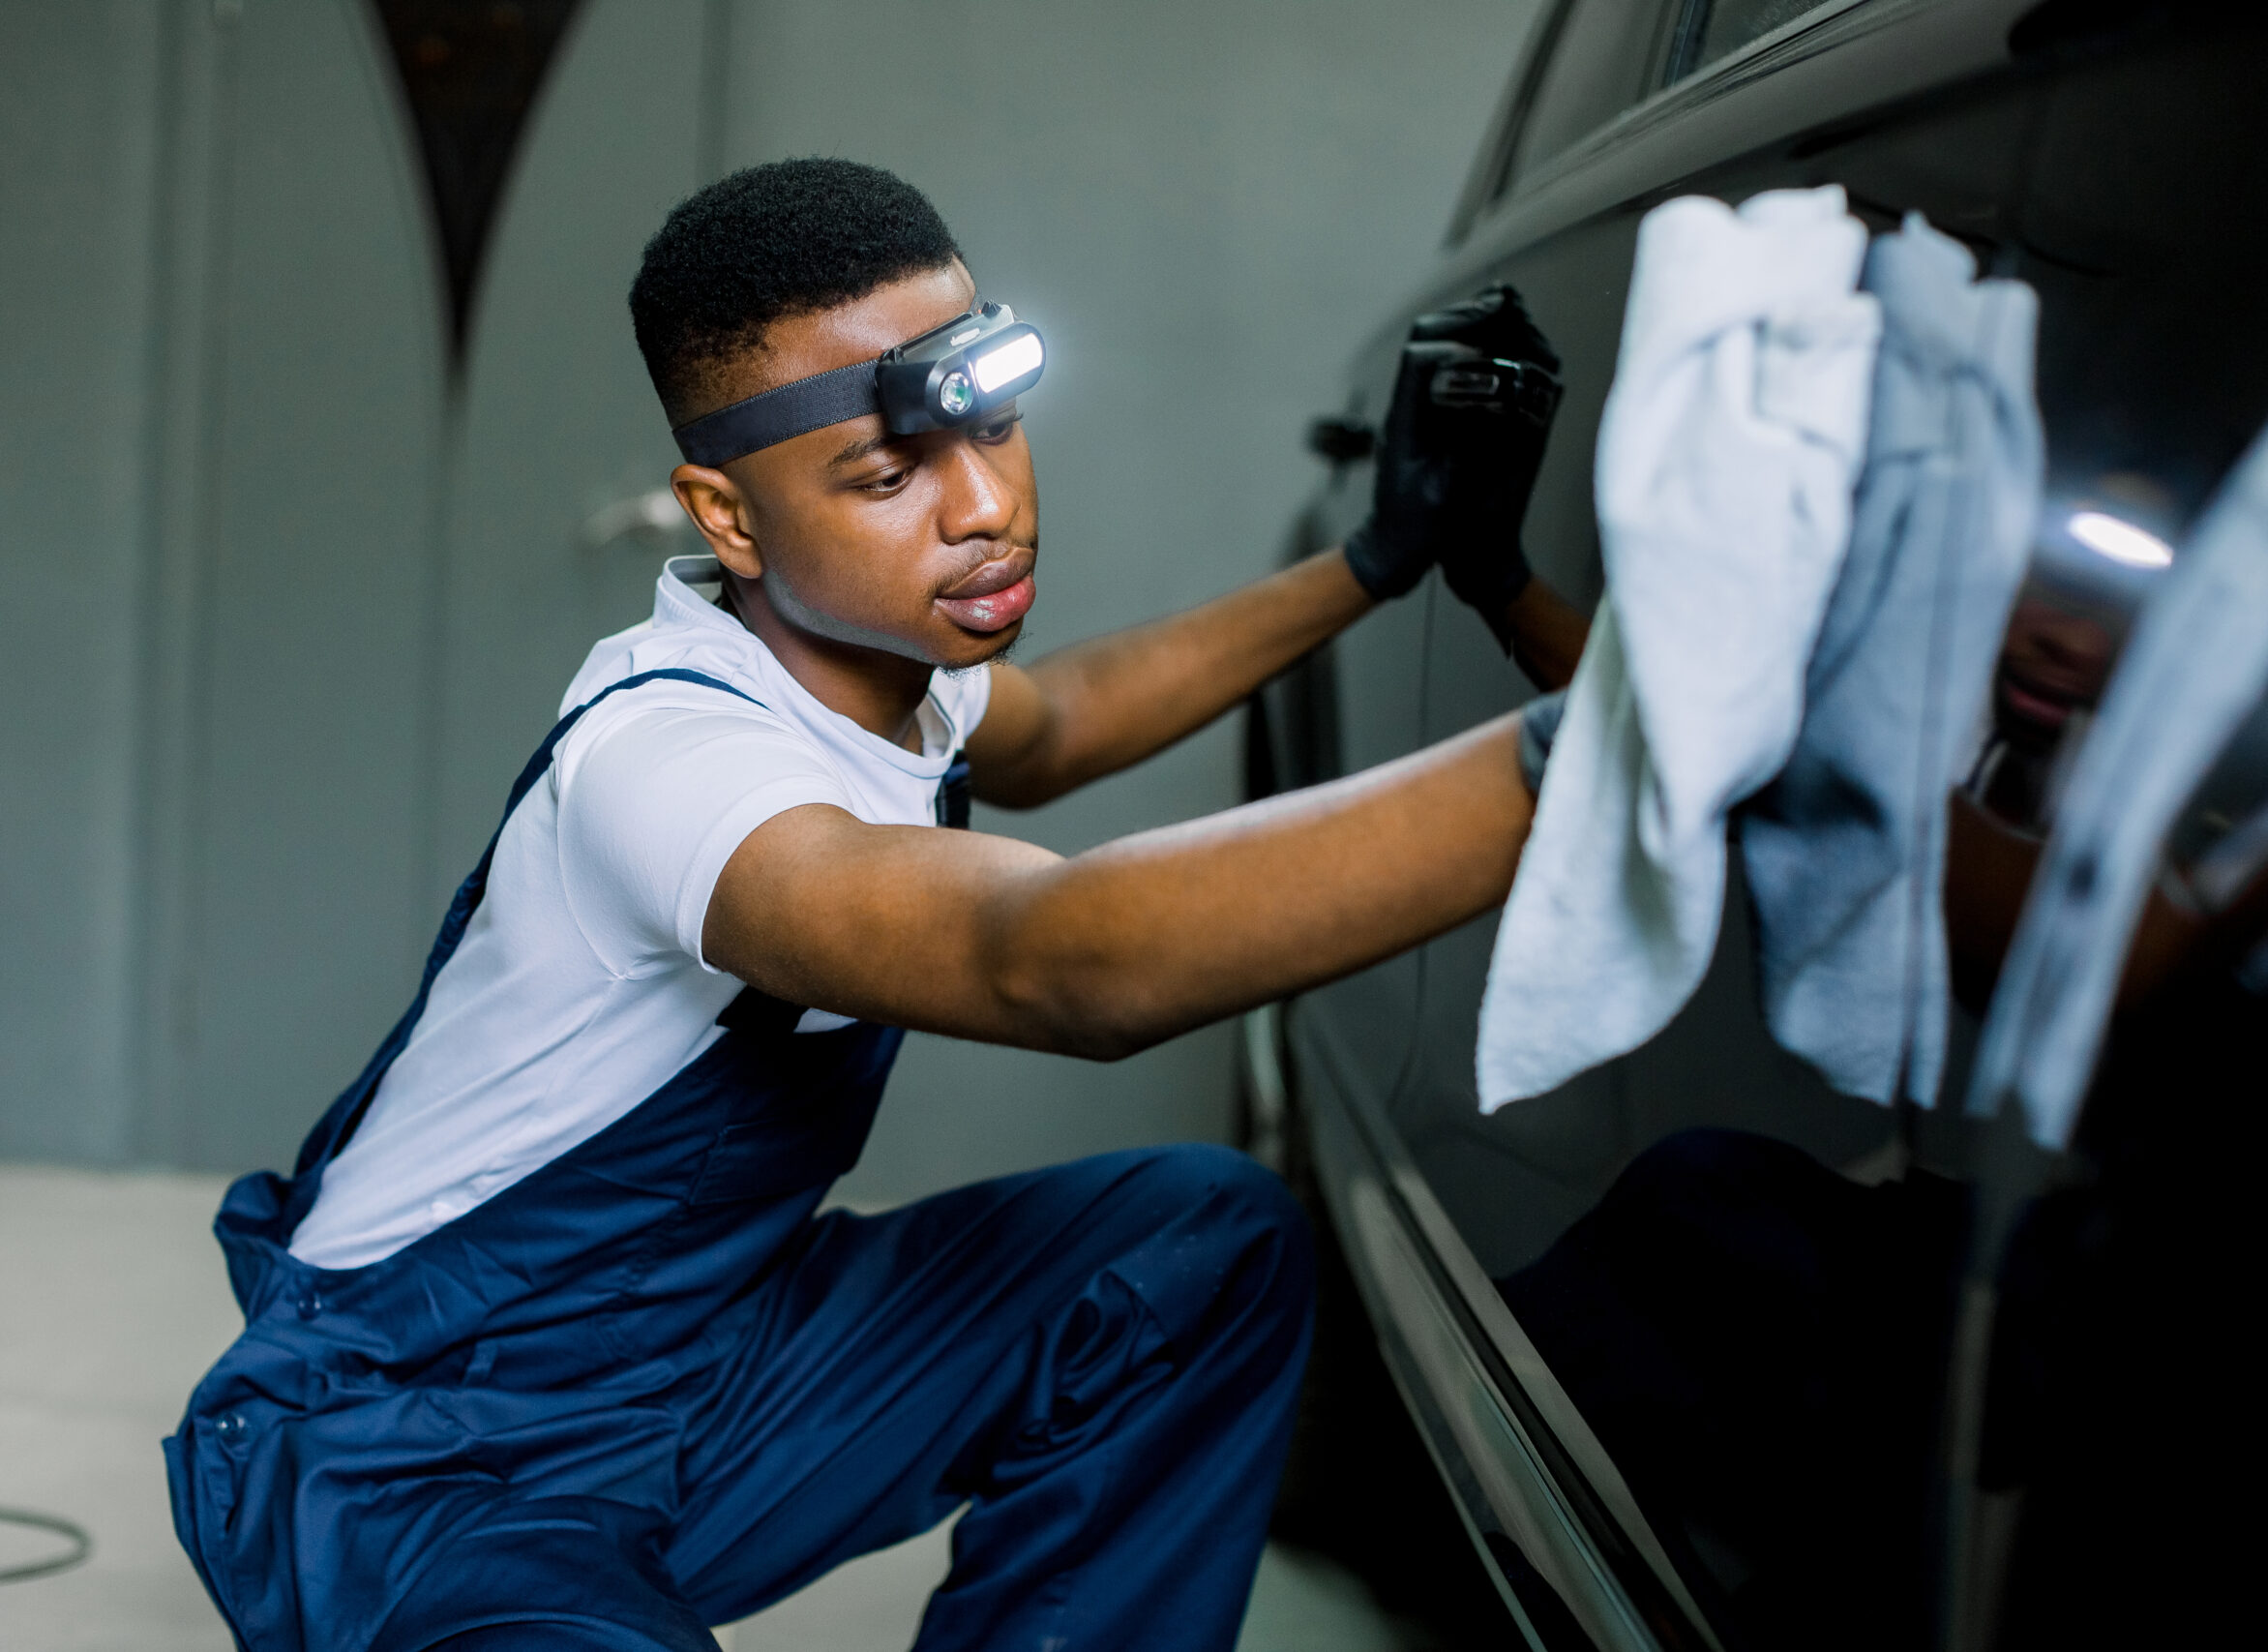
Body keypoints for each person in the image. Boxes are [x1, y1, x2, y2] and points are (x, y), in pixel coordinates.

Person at [166, 158, 1572, 1652]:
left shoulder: (906, 675)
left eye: (998, 429)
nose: (983, 507)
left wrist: (1378, 564)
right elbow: (1043, 961)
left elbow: (1071, 719)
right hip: (416, 1448)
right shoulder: (675, 761)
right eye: (888, 478)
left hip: (705, 1364)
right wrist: (1603, 750)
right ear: (731, 517)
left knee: (1197, 1246)